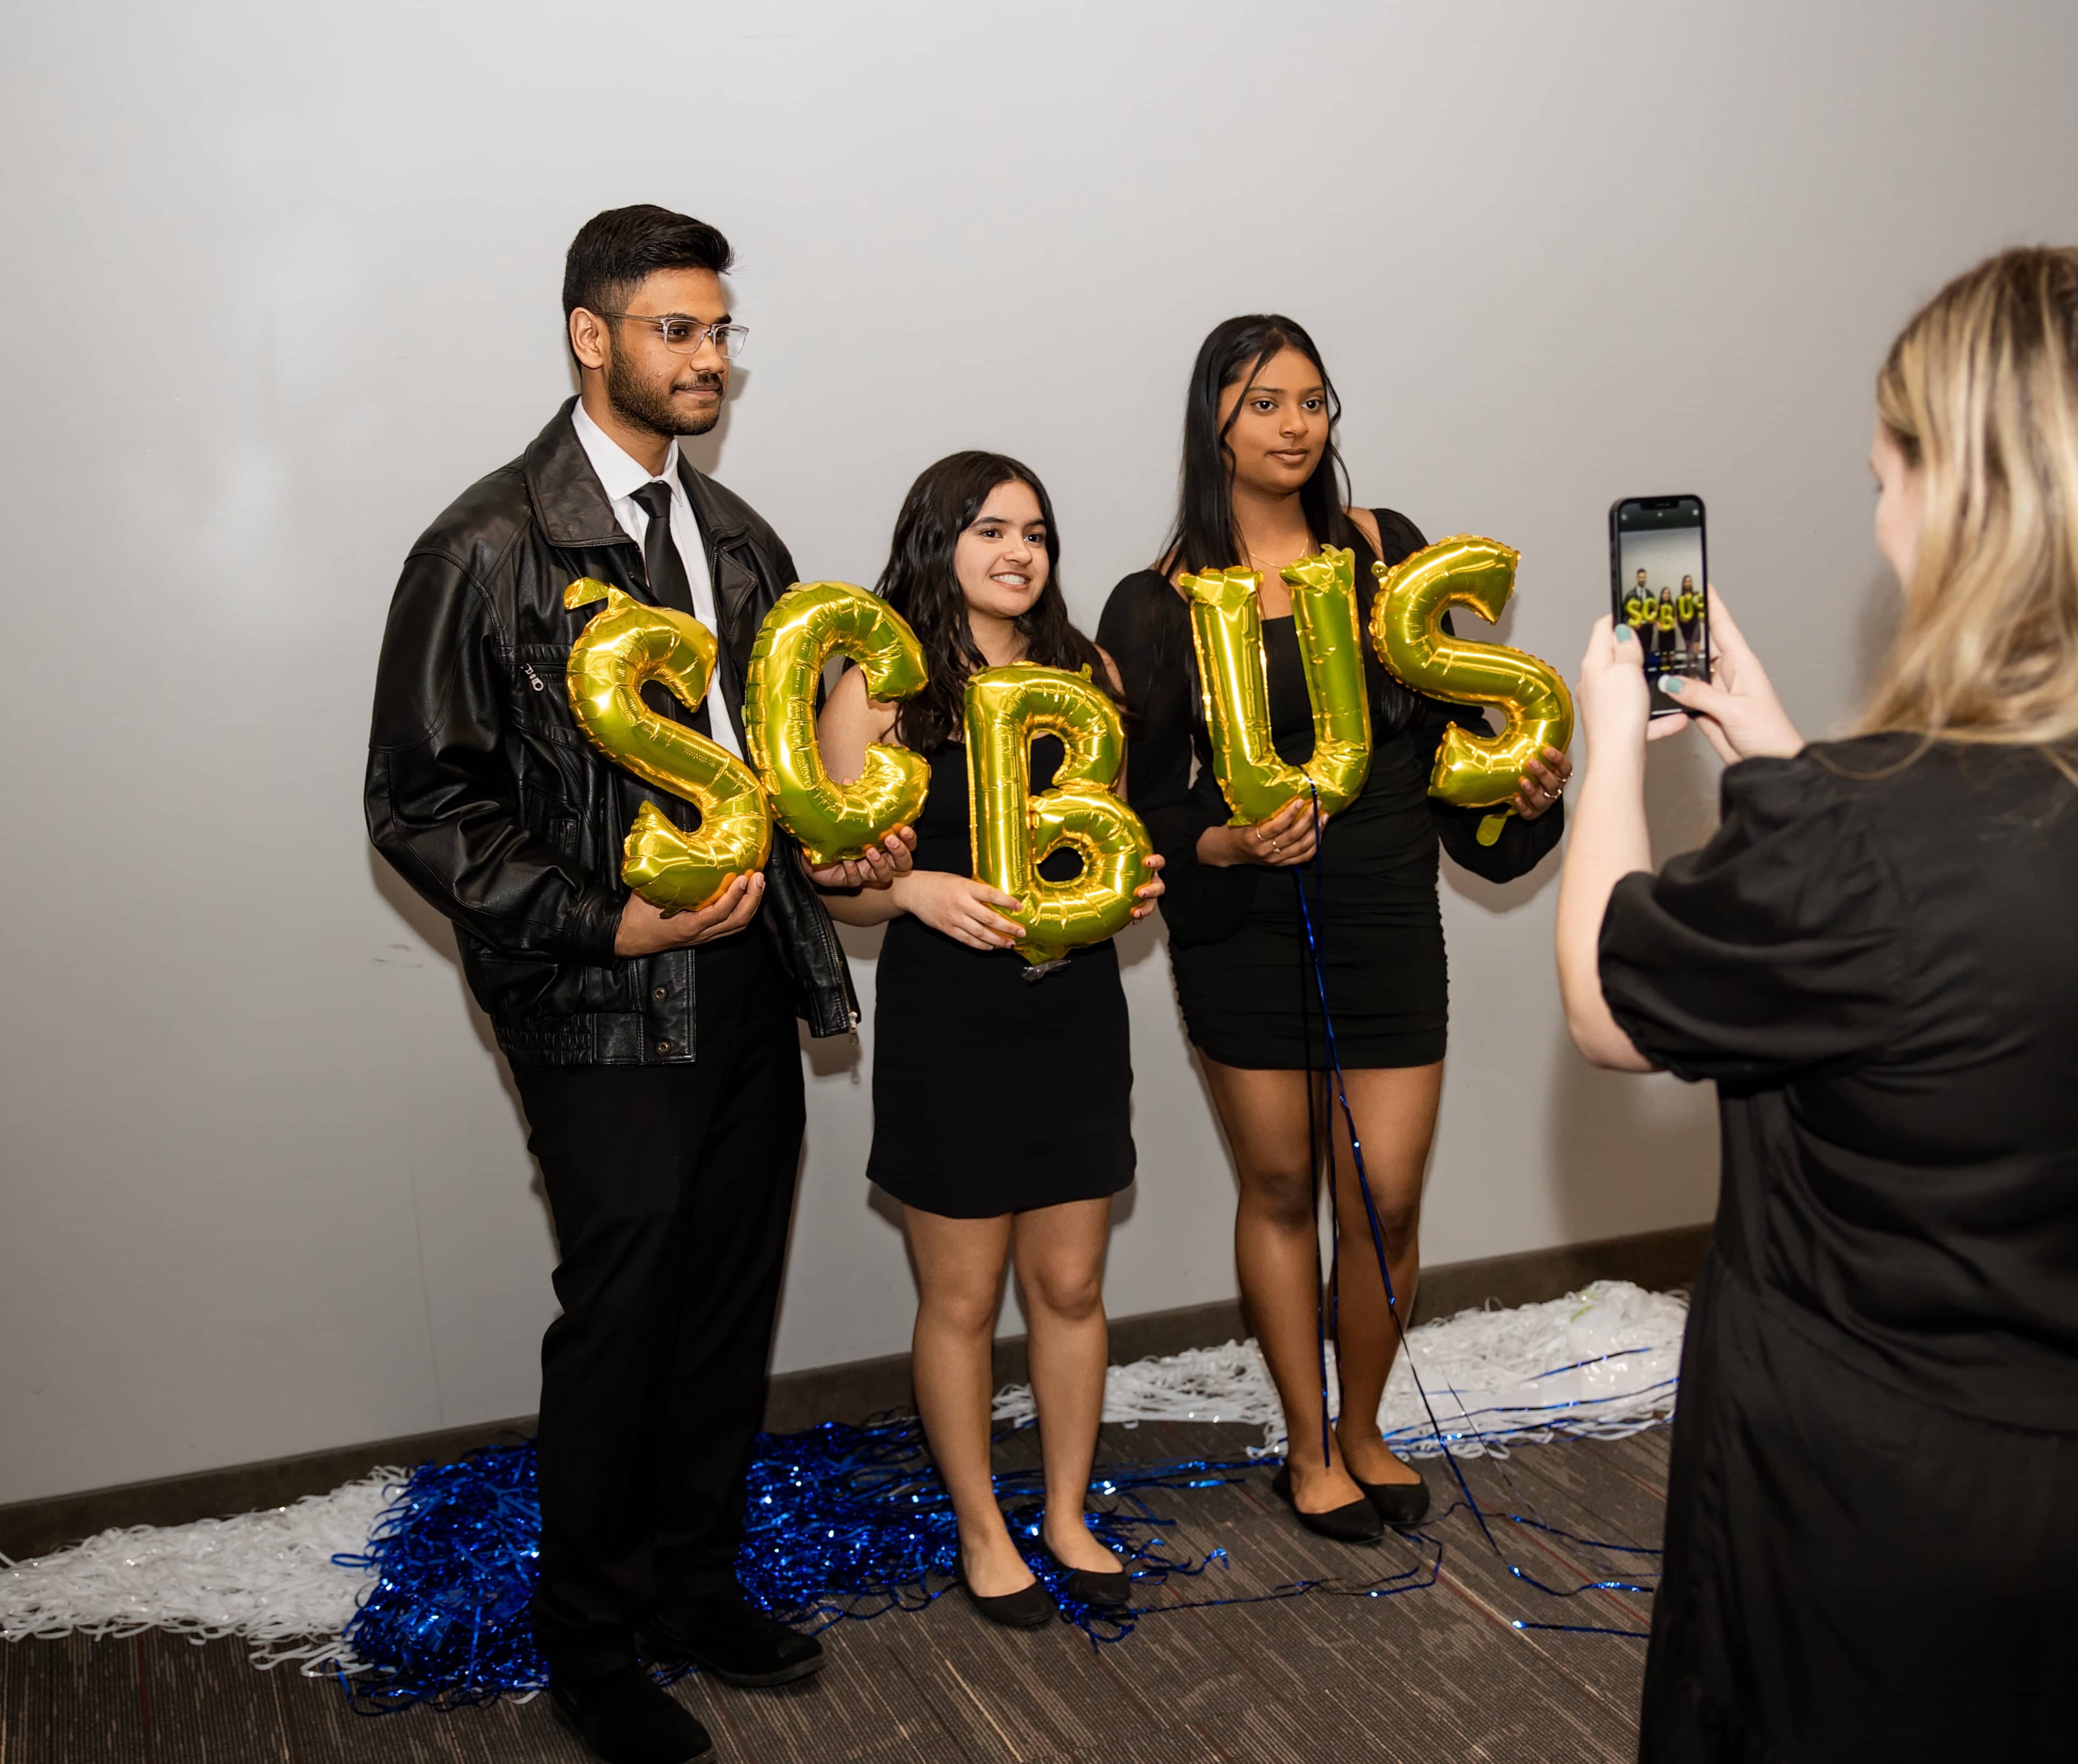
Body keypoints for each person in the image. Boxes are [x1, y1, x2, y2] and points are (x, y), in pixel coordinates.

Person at [1553, 247, 2078, 1761]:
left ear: (1964, 497)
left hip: (1907, 1526)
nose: (1881, 526)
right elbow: (1954, 963)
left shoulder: (1873, 833)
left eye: (1884, 481)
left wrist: (1610, 743)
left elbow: (1614, 997)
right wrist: (1776, 750)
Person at [366, 204, 913, 1764]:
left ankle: (692, 1588)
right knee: (622, 1317)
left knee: (725, 1303)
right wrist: (609, 923)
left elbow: (790, 764)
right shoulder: (482, 546)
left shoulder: (741, 543)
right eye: (677, 329)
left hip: (747, 980)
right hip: (600, 999)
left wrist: (850, 837)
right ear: (588, 335)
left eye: (722, 331)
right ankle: (591, 1646)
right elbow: (420, 802)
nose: (710, 360)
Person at [1097, 315, 1572, 1542]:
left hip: (1382, 906)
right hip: (1248, 920)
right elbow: (1145, 808)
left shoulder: (1385, 553)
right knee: (1280, 1186)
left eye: (1314, 401)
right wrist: (1231, 841)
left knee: (1390, 1200)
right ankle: (1307, 1448)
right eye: (1267, 402)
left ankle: (1366, 1428)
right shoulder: (1155, 606)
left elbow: (1458, 736)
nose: (1296, 424)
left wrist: (1515, 785)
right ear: (1217, 419)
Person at [815, 453, 1164, 1629]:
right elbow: (832, 885)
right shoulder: (884, 684)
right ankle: (982, 1529)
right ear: (938, 542)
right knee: (961, 1298)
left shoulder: (1090, 672)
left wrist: (1132, 881)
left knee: (1070, 1283)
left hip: (1072, 1012)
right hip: (948, 1022)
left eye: (1038, 533)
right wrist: (910, 896)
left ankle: (1067, 1513)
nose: (1020, 552)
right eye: (990, 530)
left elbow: (1113, 838)